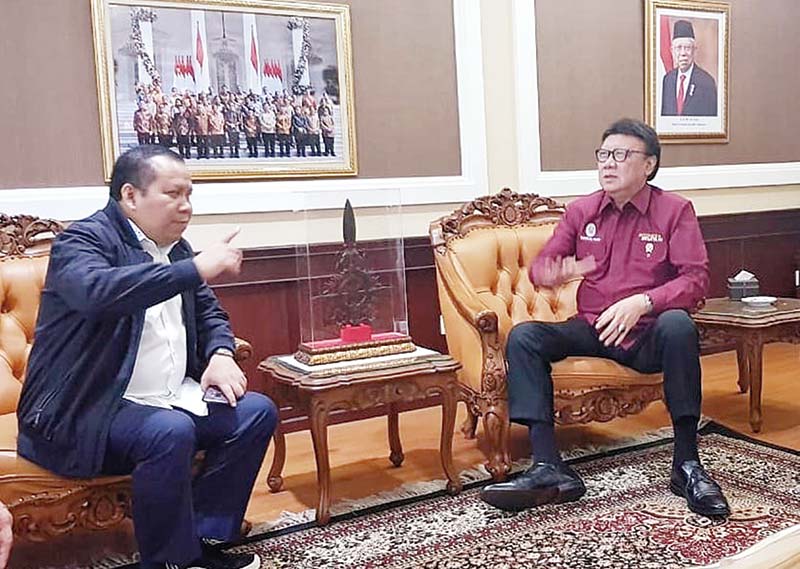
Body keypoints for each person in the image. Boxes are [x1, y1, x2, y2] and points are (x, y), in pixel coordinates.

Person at [16, 145, 277, 569]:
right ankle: (170, 561)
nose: (186, 206)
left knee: (255, 412)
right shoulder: (81, 242)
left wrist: (220, 353)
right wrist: (196, 268)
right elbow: (99, 293)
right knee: (167, 431)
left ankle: (202, 538)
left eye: (189, 194)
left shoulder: (175, 249)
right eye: (173, 194)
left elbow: (209, 314)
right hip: (87, 408)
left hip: (166, 397)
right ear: (130, 196)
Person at [480, 118, 730, 518]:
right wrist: (557, 270)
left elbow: (696, 280)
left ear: (648, 165)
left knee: (679, 325)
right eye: (603, 154)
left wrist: (644, 302)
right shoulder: (582, 211)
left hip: (647, 334)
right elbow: (541, 268)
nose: (608, 163)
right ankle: (548, 466)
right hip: (593, 328)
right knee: (525, 336)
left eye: (621, 155)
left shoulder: (674, 211)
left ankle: (687, 464)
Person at [661, 20, 717, 116]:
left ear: (694, 51)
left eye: (687, 48)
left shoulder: (706, 82)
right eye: (679, 48)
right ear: (672, 51)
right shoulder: (668, 80)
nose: (683, 53)